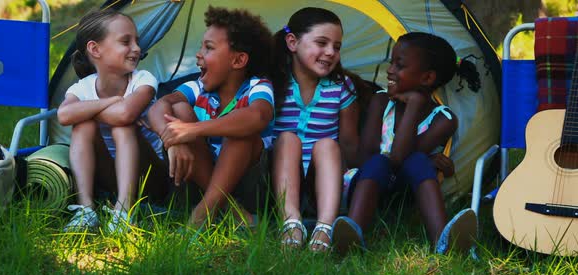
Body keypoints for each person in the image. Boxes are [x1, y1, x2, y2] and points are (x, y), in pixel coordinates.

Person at [332, 32, 481, 255]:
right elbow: (366, 158)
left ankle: (443, 242)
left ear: (427, 78)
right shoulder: (380, 101)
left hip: (404, 195)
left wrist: (414, 105)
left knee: (417, 161)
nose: (390, 70)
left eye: (399, 65)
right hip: (365, 185)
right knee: (380, 163)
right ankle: (352, 237)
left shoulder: (444, 119)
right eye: (391, 62)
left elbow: (402, 159)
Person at [148, 6, 274, 228]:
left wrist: (192, 130)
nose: (199, 54)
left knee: (241, 128)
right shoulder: (198, 88)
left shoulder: (257, 86)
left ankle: (201, 216)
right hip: (197, 180)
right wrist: (173, 140)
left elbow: (259, 116)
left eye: (208, 48)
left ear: (238, 61)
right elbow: (160, 106)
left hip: (248, 185)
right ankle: (231, 212)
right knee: (178, 109)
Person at [57, 10, 168, 233]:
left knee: (122, 128)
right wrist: (114, 101)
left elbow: (124, 115)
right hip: (109, 177)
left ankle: (124, 212)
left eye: (137, 41)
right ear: (95, 49)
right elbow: (64, 115)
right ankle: (85, 209)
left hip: (152, 177)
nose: (136, 48)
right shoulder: (84, 87)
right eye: (125, 41)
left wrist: (86, 109)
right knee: (83, 126)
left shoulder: (143, 80)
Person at [271, 7, 361, 252]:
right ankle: (291, 223)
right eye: (322, 43)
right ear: (292, 42)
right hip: (274, 182)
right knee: (287, 139)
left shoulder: (341, 86)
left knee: (328, 144)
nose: (331, 52)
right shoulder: (272, 81)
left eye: (337, 46)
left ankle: (325, 227)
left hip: (321, 184)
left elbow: (349, 145)